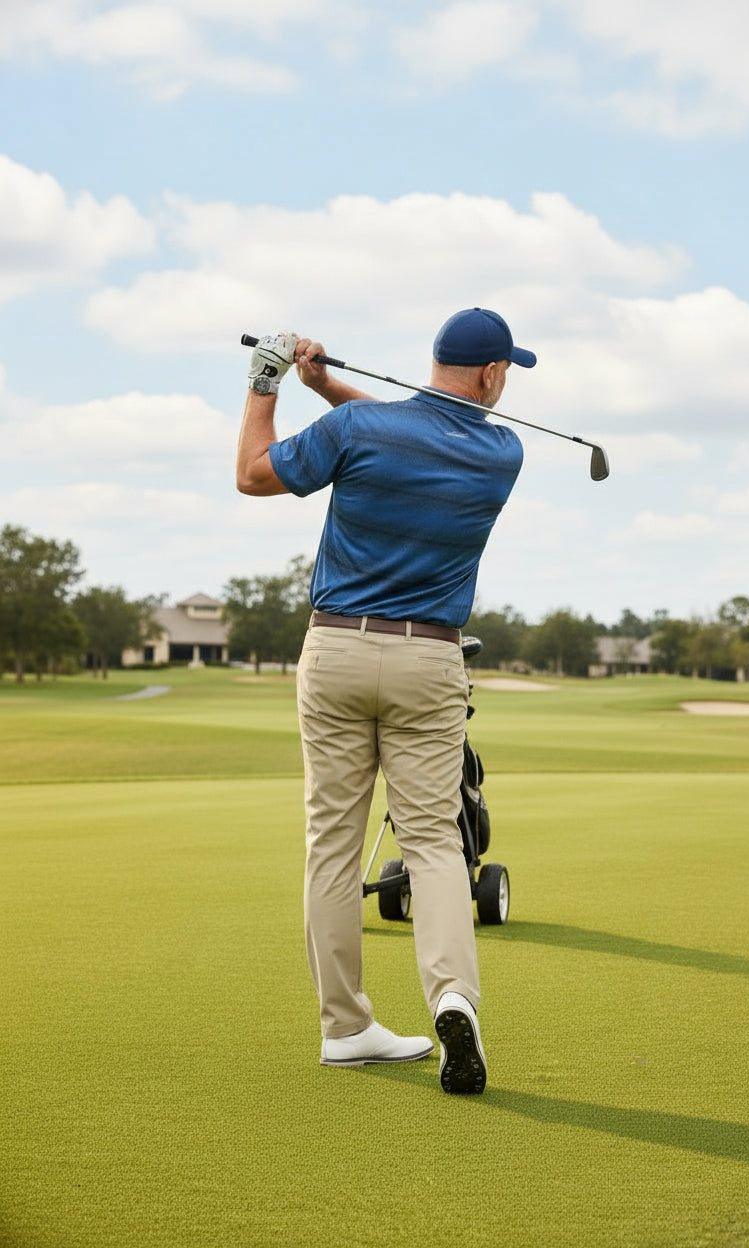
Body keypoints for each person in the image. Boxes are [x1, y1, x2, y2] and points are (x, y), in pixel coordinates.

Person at [236, 308, 535, 1094]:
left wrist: (269, 384)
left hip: (335, 650)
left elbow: (254, 473)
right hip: (430, 659)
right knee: (433, 839)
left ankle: (345, 1028)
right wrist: (328, 385)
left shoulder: (359, 433)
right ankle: (454, 998)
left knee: (332, 843)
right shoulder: (503, 452)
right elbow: (407, 430)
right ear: (491, 373)